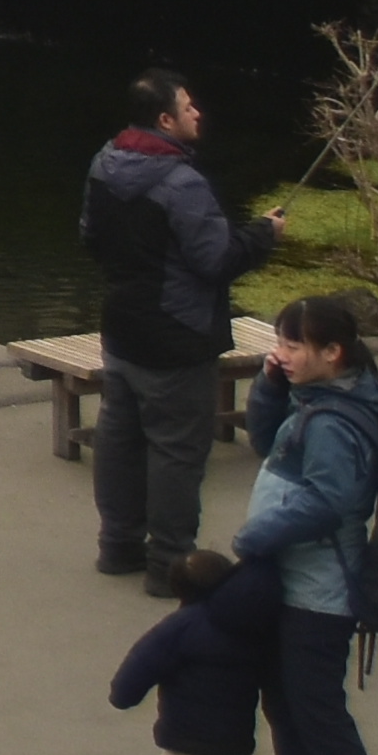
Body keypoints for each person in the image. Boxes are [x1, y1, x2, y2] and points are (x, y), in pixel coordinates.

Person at [221, 289, 378, 755]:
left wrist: (256, 535)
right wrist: (272, 385)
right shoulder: (320, 397)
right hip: (296, 584)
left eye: (291, 346)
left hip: (320, 593)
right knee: (286, 701)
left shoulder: (335, 420)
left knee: (320, 716)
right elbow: (267, 441)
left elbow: (332, 500)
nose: (281, 353)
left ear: (332, 352)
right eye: (279, 342)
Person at [80, 72, 271, 592]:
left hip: (122, 326)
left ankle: (117, 545)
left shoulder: (105, 161)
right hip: (177, 335)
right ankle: (170, 565)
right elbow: (217, 260)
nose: (198, 114)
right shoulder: (181, 183)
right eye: (189, 108)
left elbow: (90, 237)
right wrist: (261, 234)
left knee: (119, 439)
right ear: (165, 120)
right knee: (177, 451)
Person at [107, 542, 279, 755]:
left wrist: (123, 694)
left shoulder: (181, 626)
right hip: (235, 732)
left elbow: (143, 662)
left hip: (184, 728)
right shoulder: (253, 628)